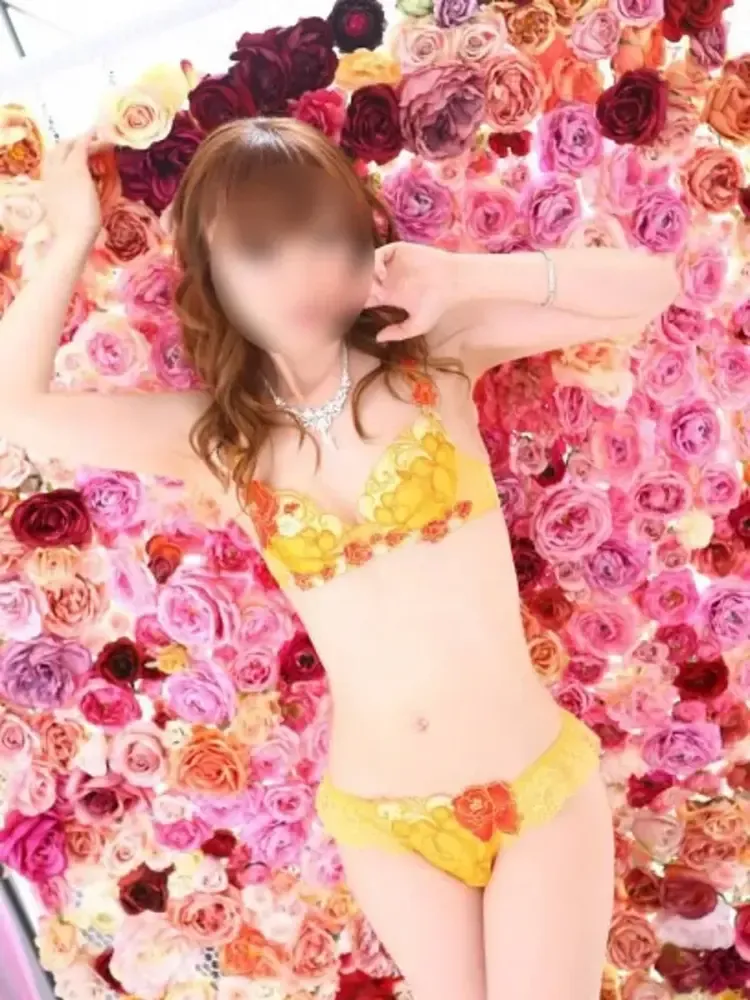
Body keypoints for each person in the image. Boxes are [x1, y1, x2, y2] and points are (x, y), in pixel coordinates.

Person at [0, 120, 679, 1000]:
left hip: (533, 790)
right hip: (383, 823)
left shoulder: (435, 352)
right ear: (211, 275)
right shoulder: (217, 439)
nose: (301, 274)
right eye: (259, 250)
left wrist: (465, 275)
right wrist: (71, 235)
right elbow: (15, 408)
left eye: (324, 237)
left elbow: (649, 289)